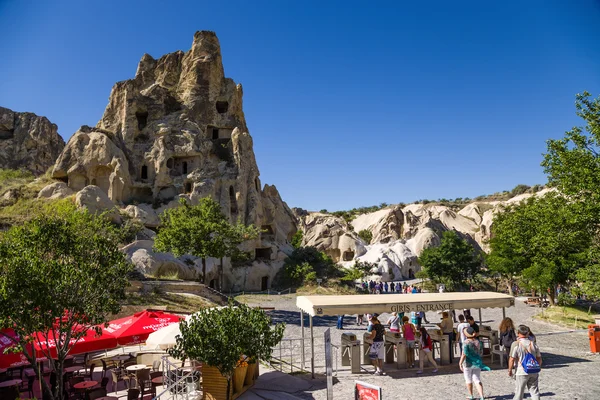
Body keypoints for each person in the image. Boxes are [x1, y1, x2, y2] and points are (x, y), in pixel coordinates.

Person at [509, 325, 542, 400]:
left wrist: (510, 370)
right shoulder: (533, 343)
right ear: (527, 333)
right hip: (533, 370)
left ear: (518, 333)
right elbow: (539, 358)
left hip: (521, 371)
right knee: (534, 391)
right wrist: (538, 367)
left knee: (519, 392)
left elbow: (511, 359)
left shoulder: (516, 344)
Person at [459, 327, 489, 400]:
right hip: (477, 363)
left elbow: (464, 354)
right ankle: (482, 396)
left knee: (468, 380)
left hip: (468, 363)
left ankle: (471, 395)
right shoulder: (479, 342)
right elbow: (481, 352)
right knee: (477, 379)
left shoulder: (466, 343)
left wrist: (460, 363)